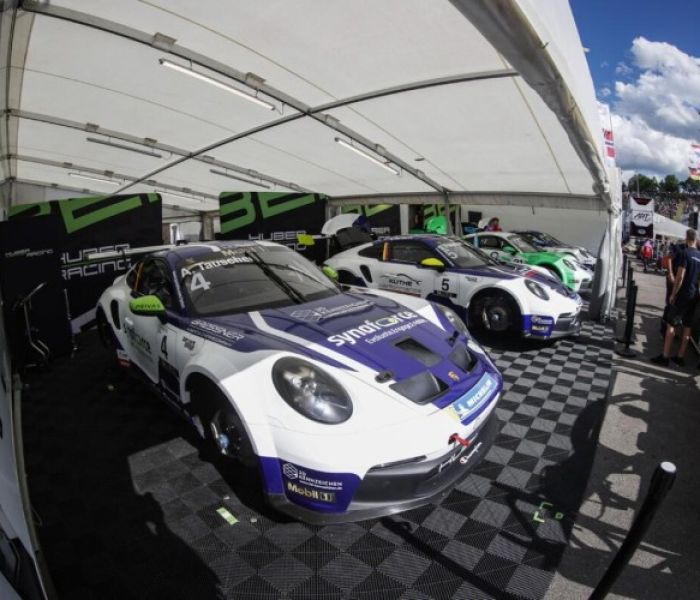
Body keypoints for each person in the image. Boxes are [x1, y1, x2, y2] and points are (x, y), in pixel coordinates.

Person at [651, 229, 700, 367]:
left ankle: (665, 356)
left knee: (671, 324)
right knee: (687, 327)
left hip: (683, 294)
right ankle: (680, 357)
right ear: (696, 239)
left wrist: (673, 293)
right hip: (694, 295)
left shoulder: (685, 253)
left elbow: (680, 277)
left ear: (686, 238)